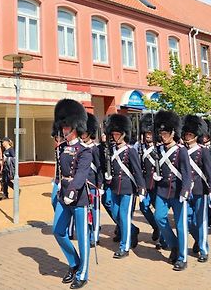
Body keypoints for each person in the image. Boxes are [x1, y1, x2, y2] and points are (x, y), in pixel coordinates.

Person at [52, 99, 91, 289]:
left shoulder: (84, 151)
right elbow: (60, 172)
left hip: (79, 198)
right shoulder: (61, 149)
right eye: (63, 125)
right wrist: (59, 186)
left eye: (66, 126)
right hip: (63, 196)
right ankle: (75, 263)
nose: (64, 129)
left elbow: (82, 173)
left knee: (82, 238)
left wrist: (73, 190)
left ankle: (83, 273)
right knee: (58, 231)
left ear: (75, 126)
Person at [153, 110, 192, 271]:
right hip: (162, 191)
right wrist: (155, 176)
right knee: (159, 217)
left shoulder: (181, 150)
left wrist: (185, 191)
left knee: (181, 225)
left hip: (177, 192)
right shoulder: (159, 150)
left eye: (166, 132)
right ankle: (174, 244)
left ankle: (182, 257)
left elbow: (187, 173)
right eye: (161, 132)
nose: (163, 135)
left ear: (173, 133)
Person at [105, 114, 146, 259]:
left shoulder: (130, 151)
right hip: (115, 187)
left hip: (128, 189)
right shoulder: (111, 149)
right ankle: (133, 230)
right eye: (113, 133)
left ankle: (125, 246)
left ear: (123, 134)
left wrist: (141, 189)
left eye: (117, 134)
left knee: (123, 215)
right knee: (116, 215)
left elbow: (137, 170)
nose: (115, 136)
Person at [182, 115, 211, 262]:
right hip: (185, 192)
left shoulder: (203, 151)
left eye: (190, 134)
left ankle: (203, 249)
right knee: (188, 220)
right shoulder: (181, 150)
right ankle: (198, 239)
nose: (187, 136)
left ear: (196, 135)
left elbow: (210, 171)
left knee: (201, 220)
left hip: (199, 190)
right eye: (186, 134)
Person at [138, 113, 164, 247]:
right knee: (143, 207)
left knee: (159, 211)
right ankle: (156, 227)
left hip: (158, 184)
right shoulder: (140, 148)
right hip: (146, 183)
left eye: (150, 132)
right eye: (146, 132)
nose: (148, 135)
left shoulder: (160, 149)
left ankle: (162, 238)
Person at [82, 113, 103, 247]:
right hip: (82, 184)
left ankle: (94, 236)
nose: (82, 135)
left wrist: (100, 185)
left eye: (84, 132)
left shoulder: (95, 149)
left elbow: (99, 168)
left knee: (94, 211)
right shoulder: (80, 147)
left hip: (93, 184)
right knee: (85, 211)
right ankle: (86, 233)